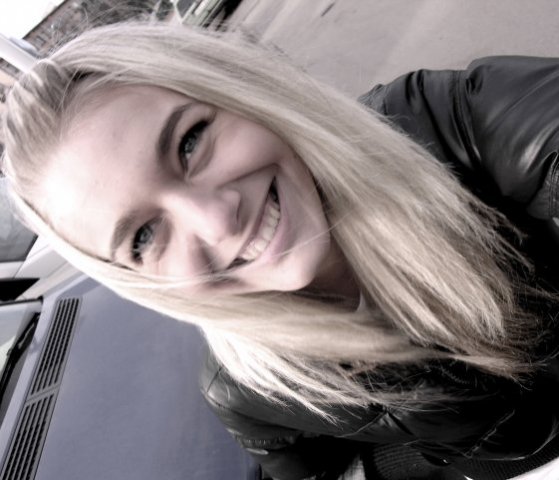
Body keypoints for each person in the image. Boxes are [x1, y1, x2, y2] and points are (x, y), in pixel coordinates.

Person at [2, 23, 559, 480]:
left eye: (190, 142)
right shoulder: (248, 392)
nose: (216, 220)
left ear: (243, 91)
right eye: (143, 237)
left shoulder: (449, 121)